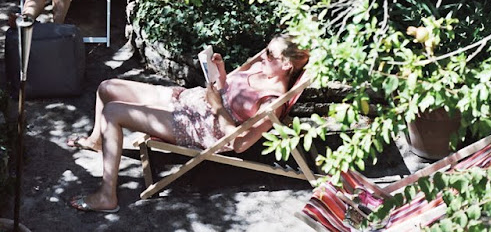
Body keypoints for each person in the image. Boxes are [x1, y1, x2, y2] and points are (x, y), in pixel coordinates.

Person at [67, 35, 310, 213]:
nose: (264, 56)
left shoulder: (271, 102)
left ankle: (107, 196)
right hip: (190, 100)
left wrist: (217, 107)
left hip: (198, 127)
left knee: (113, 112)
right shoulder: (259, 67)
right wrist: (220, 72)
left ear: (286, 65)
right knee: (107, 87)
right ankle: (96, 141)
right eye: (266, 49)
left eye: (270, 54)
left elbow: (239, 144)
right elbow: (225, 88)